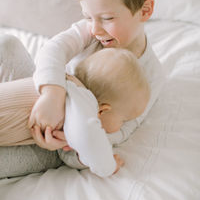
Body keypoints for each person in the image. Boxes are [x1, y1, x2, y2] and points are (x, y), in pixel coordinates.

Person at [28, 0, 164, 150]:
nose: (95, 29)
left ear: (145, 10)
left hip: (59, 139)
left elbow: (125, 130)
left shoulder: (151, 75)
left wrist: (75, 139)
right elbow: (53, 49)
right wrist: (52, 93)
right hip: (41, 98)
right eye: (87, 17)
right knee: (6, 45)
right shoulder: (91, 32)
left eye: (107, 18)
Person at [0, 47, 149, 178]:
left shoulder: (58, 80)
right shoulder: (84, 103)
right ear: (103, 110)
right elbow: (89, 140)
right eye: (123, 120)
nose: (121, 126)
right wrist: (109, 167)